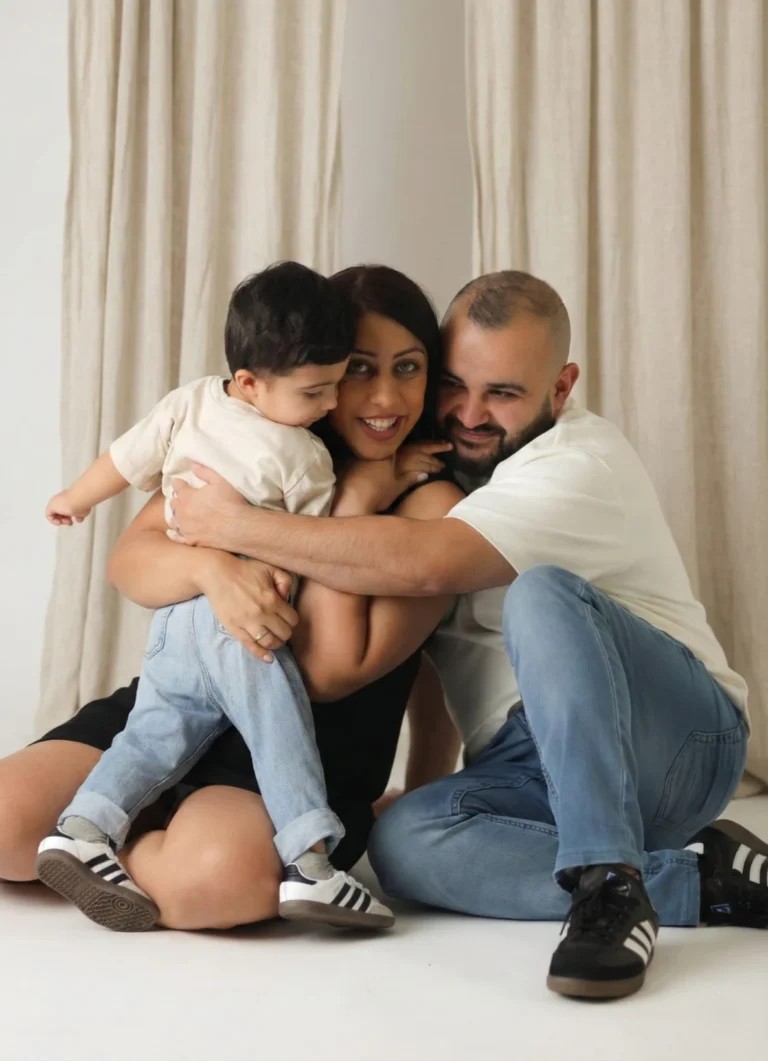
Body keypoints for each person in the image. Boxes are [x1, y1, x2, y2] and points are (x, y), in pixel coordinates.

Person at [168, 269, 768, 1000]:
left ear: (561, 386)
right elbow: (430, 657)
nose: (470, 413)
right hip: (532, 765)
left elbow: (426, 565)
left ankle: (611, 887)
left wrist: (232, 526)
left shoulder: (579, 462)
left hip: (677, 738)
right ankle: (699, 876)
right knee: (403, 844)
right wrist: (428, 785)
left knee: (540, 592)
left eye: (503, 393)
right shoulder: (439, 471)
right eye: (454, 384)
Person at [0, 265, 462, 933]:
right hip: (179, 699)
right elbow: (131, 562)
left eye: (410, 367)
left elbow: (329, 668)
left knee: (211, 882)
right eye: (358, 368)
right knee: (8, 817)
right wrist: (215, 569)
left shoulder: (432, 505)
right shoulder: (261, 442)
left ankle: (128, 832)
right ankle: (105, 828)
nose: (383, 395)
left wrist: (358, 496)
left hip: (303, 748)